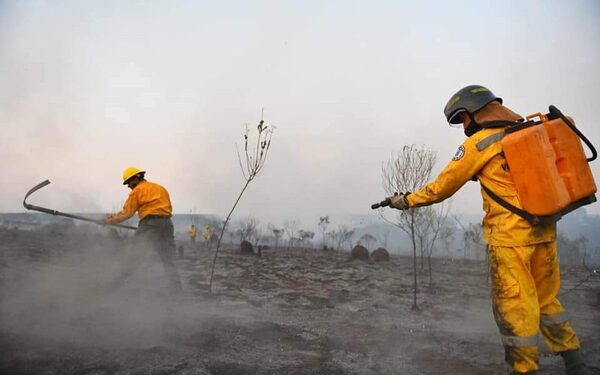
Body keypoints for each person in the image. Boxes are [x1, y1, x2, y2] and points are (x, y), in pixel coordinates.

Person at [388, 85, 589, 375]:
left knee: (514, 307)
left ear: (474, 112)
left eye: (463, 119)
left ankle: (523, 369)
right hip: (544, 232)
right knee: (546, 301)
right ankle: (575, 361)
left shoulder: (479, 144)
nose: (463, 127)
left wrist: (405, 200)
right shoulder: (526, 133)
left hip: (510, 241)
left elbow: (441, 188)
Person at [103, 167, 182, 293]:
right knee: (168, 257)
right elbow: (167, 208)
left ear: (137, 177)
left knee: (135, 253)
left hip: (150, 223)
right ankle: (177, 289)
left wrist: (108, 221)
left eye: (129, 182)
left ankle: (114, 286)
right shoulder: (160, 188)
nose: (129, 186)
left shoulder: (137, 191)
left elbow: (126, 213)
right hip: (167, 224)